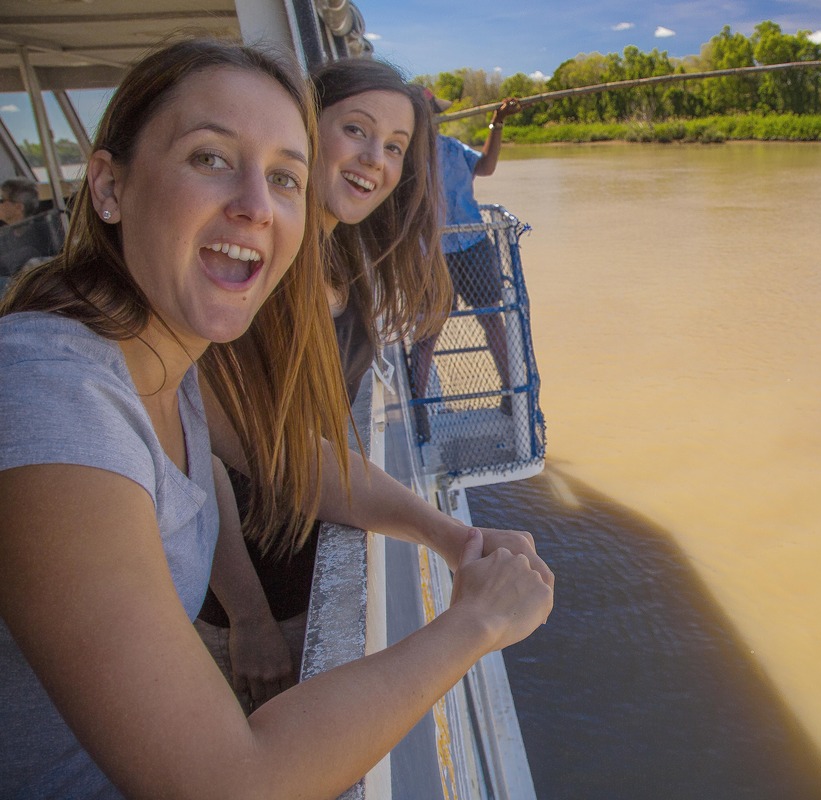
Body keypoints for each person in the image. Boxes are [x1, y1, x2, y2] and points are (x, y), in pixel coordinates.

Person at [0, 38, 552, 800]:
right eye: (210, 158)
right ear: (109, 186)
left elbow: (296, 459)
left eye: (284, 177)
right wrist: (478, 624)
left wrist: (451, 535)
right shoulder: (51, 395)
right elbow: (229, 784)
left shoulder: (164, 355)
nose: (256, 206)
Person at [195, 59, 551, 715]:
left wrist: (455, 539)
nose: (374, 159)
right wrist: (247, 616)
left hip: (310, 557)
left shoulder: (345, 260)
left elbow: (307, 451)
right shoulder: (251, 271)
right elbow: (211, 456)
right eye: (355, 130)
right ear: (301, 129)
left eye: (394, 146)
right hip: (247, 600)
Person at [410, 94, 524, 425]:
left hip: (473, 244)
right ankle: (419, 405)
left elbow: (486, 166)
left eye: (432, 115)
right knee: (429, 328)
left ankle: (510, 392)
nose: (431, 120)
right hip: (432, 253)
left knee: (492, 318)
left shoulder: (452, 147)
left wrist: (497, 121)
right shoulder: (405, 156)